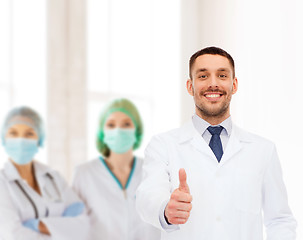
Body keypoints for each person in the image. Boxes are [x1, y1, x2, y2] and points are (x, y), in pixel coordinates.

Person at [136, 47, 297, 240]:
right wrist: (166, 210)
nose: (213, 84)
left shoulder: (263, 149)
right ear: (190, 86)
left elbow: (279, 220)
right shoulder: (163, 145)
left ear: (234, 84)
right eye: (203, 76)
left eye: (222, 75)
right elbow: (147, 197)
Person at [72, 98, 160, 240]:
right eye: (111, 125)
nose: (118, 130)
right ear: (102, 132)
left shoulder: (154, 171)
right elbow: (74, 227)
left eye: (126, 124)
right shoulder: (84, 174)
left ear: (136, 130)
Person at [0, 106, 90, 240]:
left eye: (29, 134)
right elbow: (12, 235)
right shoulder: (3, 182)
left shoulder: (53, 177)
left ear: (40, 139)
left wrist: (36, 225)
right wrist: (62, 230)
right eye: (13, 133)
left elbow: (83, 225)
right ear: (4, 138)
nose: (21, 140)